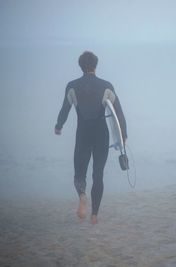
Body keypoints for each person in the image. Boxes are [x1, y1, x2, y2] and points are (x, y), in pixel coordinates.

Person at [55, 51, 127, 224]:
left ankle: (82, 196)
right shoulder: (106, 86)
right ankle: (94, 215)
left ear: (81, 66)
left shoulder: (72, 86)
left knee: (80, 174)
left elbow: (65, 109)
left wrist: (59, 126)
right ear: (96, 65)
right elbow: (118, 113)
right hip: (101, 134)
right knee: (98, 174)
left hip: (83, 134)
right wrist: (123, 135)